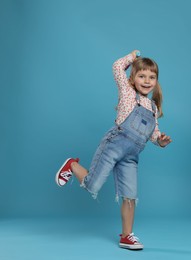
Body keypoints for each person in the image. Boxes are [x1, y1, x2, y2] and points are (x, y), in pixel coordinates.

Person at [55, 50, 172, 250]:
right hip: (113, 146)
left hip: (131, 157)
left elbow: (152, 134)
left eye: (151, 77)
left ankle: (127, 236)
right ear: (132, 78)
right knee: (92, 185)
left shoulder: (152, 108)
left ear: (156, 81)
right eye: (141, 76)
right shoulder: (127, 93)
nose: (146, 81)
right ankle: (72, 165)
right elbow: (117, 67)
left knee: (130, 195)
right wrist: (132, 57)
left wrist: (160, 141)